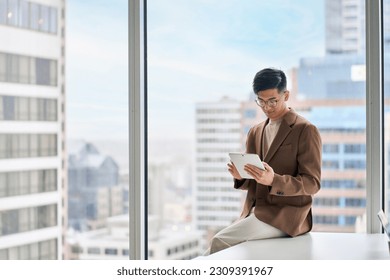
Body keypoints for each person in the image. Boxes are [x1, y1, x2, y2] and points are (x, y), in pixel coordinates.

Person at [204, 67, 322, 255]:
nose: (267, 107)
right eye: (261, 101)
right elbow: (254, 181)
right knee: (218, 250)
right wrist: (241, 176)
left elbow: (312, 184)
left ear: (286, 95)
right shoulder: (255, 131)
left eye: (272, 101)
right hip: (255, 212)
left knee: (219, 242)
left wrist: (274, 180)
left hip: (286, 216)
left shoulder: (305, 130)